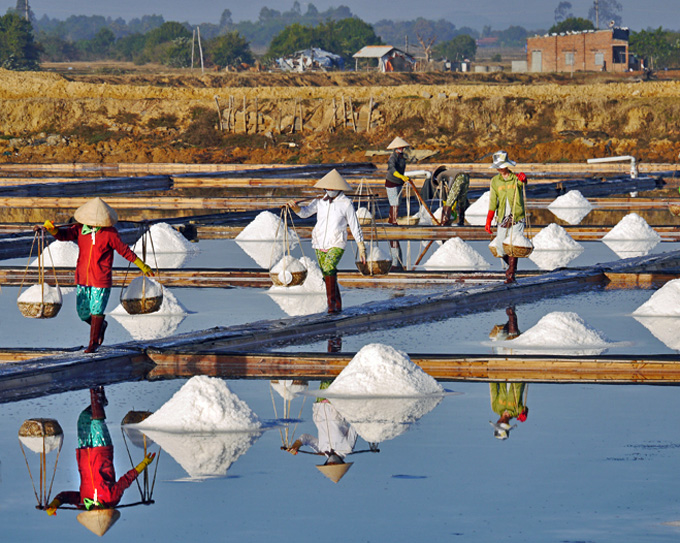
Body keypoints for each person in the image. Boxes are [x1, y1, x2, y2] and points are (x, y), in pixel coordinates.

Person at [37, 197, 154, 352]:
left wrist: (142, 265)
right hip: (83, 278)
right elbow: (64, 235)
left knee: (97, 310)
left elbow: (123, 250)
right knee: (83, 312)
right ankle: (101, 326)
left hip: (100, 278)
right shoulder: (79, 229)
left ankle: (93, 344)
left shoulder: (109, 233)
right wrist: (52, 230)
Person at [45, 386, 155, 527]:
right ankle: (94, 389)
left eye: (92, 512)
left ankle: (100, 400)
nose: (95, 510)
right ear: (106, 511)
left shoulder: (84, 502)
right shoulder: (112, 498)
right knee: (97, 422)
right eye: (99, 512)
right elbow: (125, 481)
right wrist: (143, 464)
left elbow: (65, 496)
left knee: (83, 418)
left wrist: (55, 503)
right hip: (102, 451)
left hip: (84, 453)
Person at [287, 169, 366, 314]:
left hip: (336, 242)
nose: (329, 191)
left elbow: (354, 225)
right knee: (328, 273)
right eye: (327, 188)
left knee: (329, 267)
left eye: (331, 188)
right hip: (319, 242)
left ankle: (330, 306)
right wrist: (296, 208)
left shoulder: (346, 203)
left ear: (338, 188)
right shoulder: (319, 201)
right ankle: (337, 305)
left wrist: (361, 247)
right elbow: (305, 213)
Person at [284, 384, 358, 483]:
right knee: (334, 376)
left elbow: (305, 438)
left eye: (329, 464)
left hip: (319, 405)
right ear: (341, 463)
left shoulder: (321, 449)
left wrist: (296, 445)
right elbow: (357, 424)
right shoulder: (347, 447)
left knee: (324, 376)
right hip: (335, 402)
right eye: (334, 464)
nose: (331, 463)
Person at [485, 150, 528, 284]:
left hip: (517, 215)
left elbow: (523, 183)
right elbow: (493, 201)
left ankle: (511, 274)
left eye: (501, 165)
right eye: (497, 166)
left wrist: (523, 179)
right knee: (500, 246)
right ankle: (511, 268)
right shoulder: (495, 181)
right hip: (502, 216)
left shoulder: (514, 178)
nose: (499, 168)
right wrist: (489, 220)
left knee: (513, 245)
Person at [385, 137, 411, 269]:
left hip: (399, 182)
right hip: (391, 182)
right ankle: (392, 221)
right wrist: (400, 176)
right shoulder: (393, 157)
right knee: (393, 202)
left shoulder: (402, 157)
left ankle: (393, 220)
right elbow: (392, 170)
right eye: (399, 148)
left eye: (402, 148)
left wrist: (403, 178)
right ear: (396, 148)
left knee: (397, 202)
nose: (401, 149)